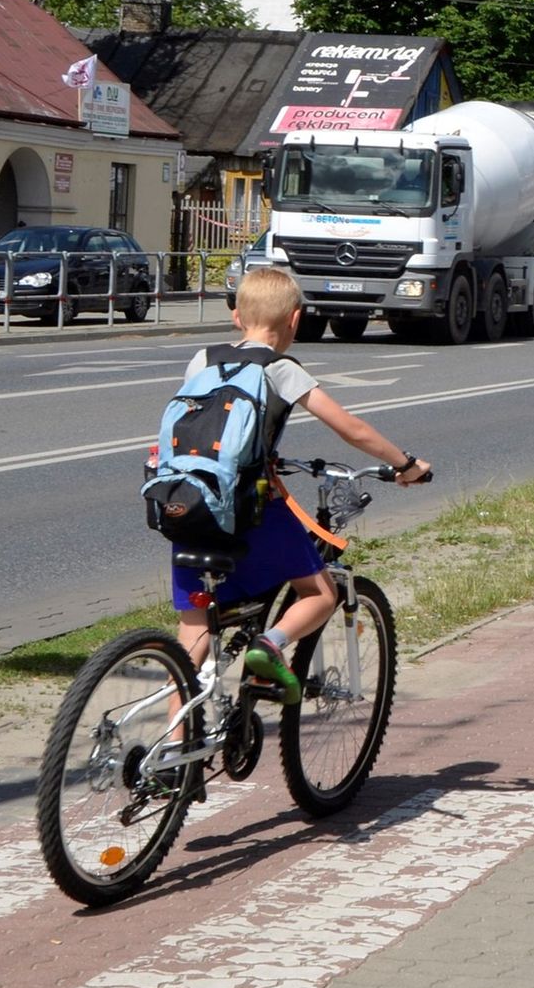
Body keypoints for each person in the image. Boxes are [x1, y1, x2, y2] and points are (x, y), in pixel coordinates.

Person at [170, 267, 432, 703]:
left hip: (186, 504)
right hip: (251, 510)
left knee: (193, 631)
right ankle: (270, 645)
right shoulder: (280, 368)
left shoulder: (201, 360)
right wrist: (406, 464)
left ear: (236, 317)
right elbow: (350, 429)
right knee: (320, 592)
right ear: (295, 320)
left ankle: (172, 754)